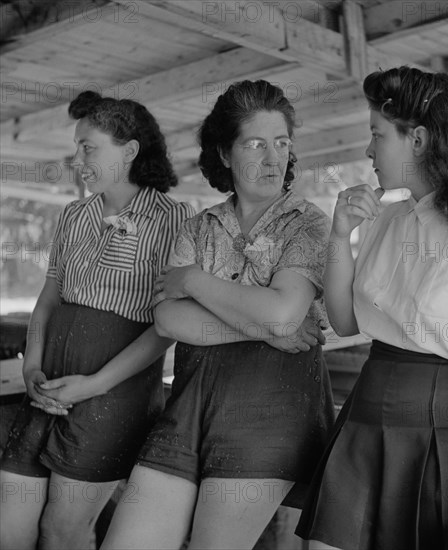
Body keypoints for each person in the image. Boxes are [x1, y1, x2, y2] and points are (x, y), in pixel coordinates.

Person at [296, 67, 448, 550]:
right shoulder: (388, 217)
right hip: (368, 408)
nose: (368, 150)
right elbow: (345, 321)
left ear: (420, 140)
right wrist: (341, 235)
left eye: (377, 135)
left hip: (446, 424)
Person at [101, 79, 335, 550]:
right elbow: (168, 321)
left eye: (282, 143)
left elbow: (284, 313)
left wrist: (194, 282)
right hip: (190, 404)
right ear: (225, 154)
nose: (273, 159)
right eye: (255, 144)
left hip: (270, 410)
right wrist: (268, 327)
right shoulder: (198, 225)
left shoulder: (307, 222)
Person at [0, 91, 194, 550]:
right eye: (76, 148)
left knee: (62, 532)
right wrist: (32, 368)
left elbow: (165, 327)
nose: (77, 160)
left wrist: (93, 385)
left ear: (129, 151)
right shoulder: (73, 215)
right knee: (11, 519)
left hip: (113, 397)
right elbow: (47, 301)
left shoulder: (174, 219)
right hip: (47, 389)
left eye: (88, 147)